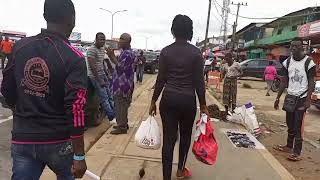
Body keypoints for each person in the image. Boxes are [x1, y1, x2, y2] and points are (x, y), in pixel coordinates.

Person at [1, 0, 88, 179]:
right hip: (58, 141)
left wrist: (18, 110)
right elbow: (76, 107)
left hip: (24, 138)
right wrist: (79, 155)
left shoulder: (20, 47)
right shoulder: (74, 57)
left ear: (44, 17)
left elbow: (6, 88)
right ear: (72, 20)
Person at [149, 15, 209, 180]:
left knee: (168, 140)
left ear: (173, 30)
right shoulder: (196, 54)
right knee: (185, 137)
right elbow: (199, 83)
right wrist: (203, 105)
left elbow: (160, 79)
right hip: (188, 101)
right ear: (189, 31)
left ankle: (166, 177)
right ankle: (181, 170)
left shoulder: (166, 52)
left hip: (168, 100)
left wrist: (153, 101)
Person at [274, 38, 316, 161]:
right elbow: (284, 81)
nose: (292, 49)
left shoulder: (308, 62)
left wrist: (308, 100)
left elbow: (311, 82)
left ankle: (296, 152)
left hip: (302, 98)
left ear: (301, 48)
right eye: (291, 46)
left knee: (297, 126)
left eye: (295, 46)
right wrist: (277, 97)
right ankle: (288, 146)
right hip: (290, 97)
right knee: (290, 124)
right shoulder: (287, 62)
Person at [107, 33, 136, 135]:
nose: (120, 40)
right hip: (121, 84)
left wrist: (111, 56)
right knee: (120, 105)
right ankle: (123, 123)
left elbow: (120, 67)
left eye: (122, 39)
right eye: (120, 38)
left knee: (120, 105)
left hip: (123, 85)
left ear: (128, 42)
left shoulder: (128, 54)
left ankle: (122, 127)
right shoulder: (124, 52)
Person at [87, 32, 116, 124]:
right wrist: (99, 80)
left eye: (104, 39)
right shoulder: (91, 50)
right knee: (104, 98)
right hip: (95, 77)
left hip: (103, 74)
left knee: (110, 96)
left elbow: (102, 62)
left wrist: (107, 73)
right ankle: (112, 117)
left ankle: (115, 114)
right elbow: (92, 66)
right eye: (101, 39)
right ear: (96, 39)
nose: (103, 41)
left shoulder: (102, 49)